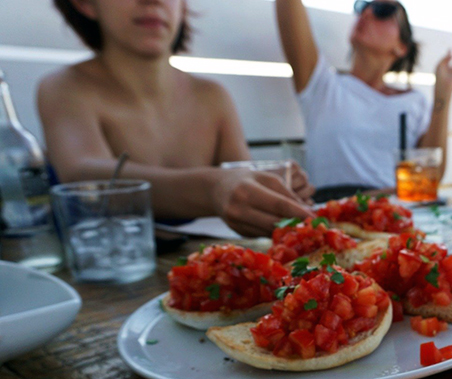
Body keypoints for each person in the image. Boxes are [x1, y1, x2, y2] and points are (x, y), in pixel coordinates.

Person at [39, 0, 316, 238]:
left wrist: (272, 192)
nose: (153, 0)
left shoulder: (213, 96)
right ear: (84, 3)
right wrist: (214, 188)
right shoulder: (65, 88)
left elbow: (241, 181)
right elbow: (85, 177)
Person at [275, 0, 452, 201]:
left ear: (401, 47)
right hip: (335, 213)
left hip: (396, 214)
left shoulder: (414, 101)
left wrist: (443, 93)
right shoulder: (323, 86)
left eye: (382, 11)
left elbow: (430, 175)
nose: (366, 13)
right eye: (361, 6)